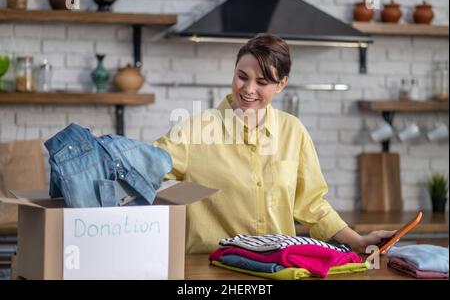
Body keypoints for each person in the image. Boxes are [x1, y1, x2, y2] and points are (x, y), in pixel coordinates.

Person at [154, 33, 395, 254]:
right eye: (242, 77)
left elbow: (311, 205)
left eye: (262, 82)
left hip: (278, 266)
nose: (248, 89)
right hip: (210, 267)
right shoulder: (195, 130)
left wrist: (358, 241)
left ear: (281, 84)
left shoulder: (293, 131)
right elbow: (145, 175)